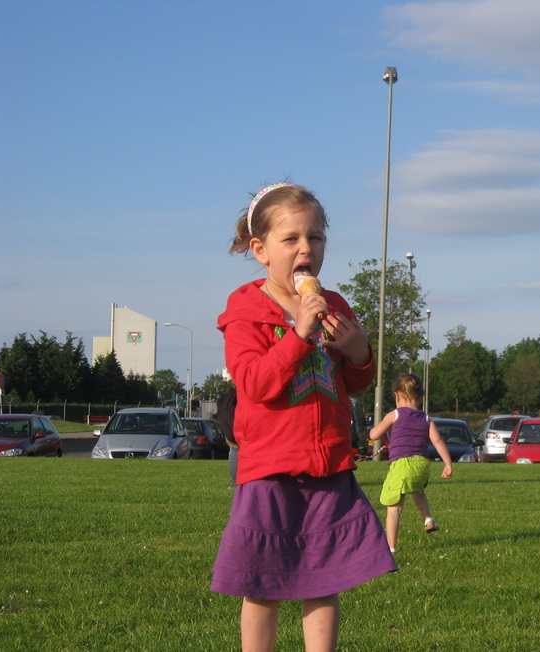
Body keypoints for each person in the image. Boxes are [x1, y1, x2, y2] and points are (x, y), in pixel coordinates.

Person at [210, 182, 396, 652]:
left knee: (323, 580)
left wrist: (359, 353)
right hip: (271, 467)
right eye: (290, 238)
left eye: (315, 238)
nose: (305, 248)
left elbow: (353, 383)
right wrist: (297, 335)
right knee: (262, 585)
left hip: (328, 465)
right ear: (261, 250)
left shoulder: (334, 305)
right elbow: (255, 383)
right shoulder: (246, 309)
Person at [369, 373, 453, 553]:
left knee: (394, 509)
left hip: (402, 464)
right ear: (420, 397)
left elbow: (374, 435)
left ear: (397, 396)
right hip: (422, 463)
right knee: (417, 489)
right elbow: (437, 441)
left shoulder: (395, 414)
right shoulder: (426, 418)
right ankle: (428, 518)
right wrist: (448, 464)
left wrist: (375, 431)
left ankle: (390, 548)